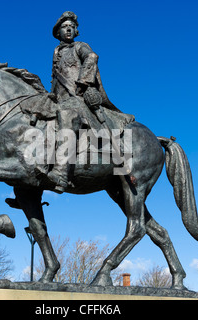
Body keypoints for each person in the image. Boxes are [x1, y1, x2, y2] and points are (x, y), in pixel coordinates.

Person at [45, 11, 129, 193]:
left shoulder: (80, 47)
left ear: (76, 31)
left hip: (76, 99)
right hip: (59, 100)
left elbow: (92, 57)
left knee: (67, 115)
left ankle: (60, 172)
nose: (68, 29)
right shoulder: (56, 53)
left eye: (71, 27)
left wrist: (84, 83)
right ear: (58, 32)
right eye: (64, 27)